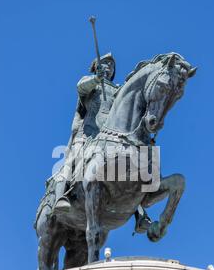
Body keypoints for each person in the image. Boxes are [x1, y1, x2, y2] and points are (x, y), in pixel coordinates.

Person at [54, 53, 151, 234]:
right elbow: (81, 87)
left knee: (141, 158)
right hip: (89, 134)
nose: (109, 67)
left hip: (113, 137)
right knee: (70, 160)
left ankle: (141, 210)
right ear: (96, 66)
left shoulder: (118, 90)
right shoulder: (90, 82)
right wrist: (95, 79)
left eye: (111, 66)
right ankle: (61, 198)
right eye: (105, 63)